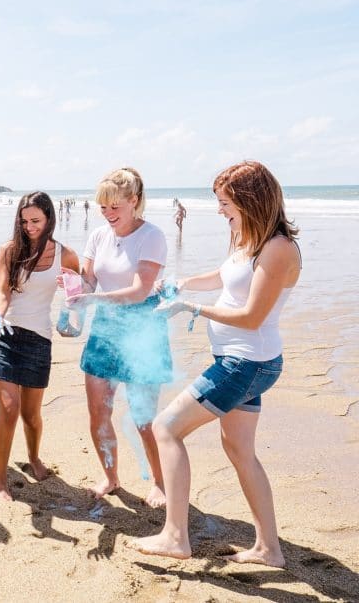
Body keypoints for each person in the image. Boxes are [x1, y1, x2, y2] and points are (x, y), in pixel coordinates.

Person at [132, 161, 300, 566]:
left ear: (249, 200)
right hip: (242, 361)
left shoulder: (277, 249)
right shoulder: (246, 236)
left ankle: (175, 536)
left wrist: (191, 308)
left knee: (166, 427)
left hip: (246, 364)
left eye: (225, 203)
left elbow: (251, 317)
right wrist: (183, 283)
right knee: (239, 447)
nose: (220, 210)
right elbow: (227, 277)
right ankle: (269, 549)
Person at [66, 167, 172, 508]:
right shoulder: (98, 236)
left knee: (143, 418)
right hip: (105, 330)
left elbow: (141, 291)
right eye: (103, 207)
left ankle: (160, 482)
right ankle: (111, 477)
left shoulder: (152, 236)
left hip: (143, 330)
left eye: (115, 206)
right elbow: (90, 283)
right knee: (98, 412)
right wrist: (74, 286)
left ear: (134, 201)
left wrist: (91, 299)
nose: (109, 214)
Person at [0, 192, 80, 499]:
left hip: (39, 338)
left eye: (35, 221)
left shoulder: (66, 255)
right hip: (4, 333)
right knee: (9, 410)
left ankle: (34, 457)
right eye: (24, 221)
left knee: (31, 415)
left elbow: (79, 298)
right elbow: (3, 292)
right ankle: (0, 481)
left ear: (49, 218)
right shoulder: (9, 250)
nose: (29, 227)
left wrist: (71, 290)